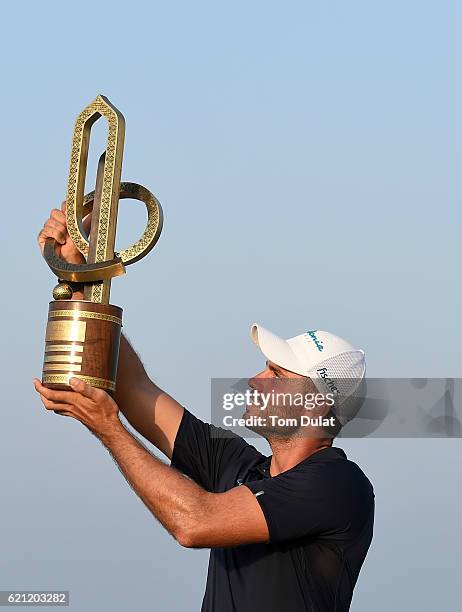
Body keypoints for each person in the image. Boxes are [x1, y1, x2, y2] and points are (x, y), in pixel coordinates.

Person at [34, 203, 375, 612]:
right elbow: (135, 387)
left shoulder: (338, 485)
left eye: (276, 373)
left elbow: (195, 524)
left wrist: (110, 429)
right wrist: (76, 275)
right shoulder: (238, 465)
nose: (255, 380)